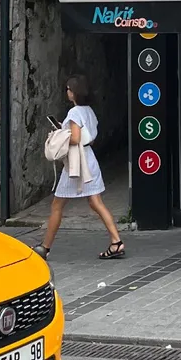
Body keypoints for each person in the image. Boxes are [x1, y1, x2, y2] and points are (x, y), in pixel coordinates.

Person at [34, 75, 125, 260]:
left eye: (68, 89)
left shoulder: (75, 113)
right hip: (89, 159)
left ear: (73, 92)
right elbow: (88, 137)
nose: (66, 92)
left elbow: (75, 138)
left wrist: (60, 134)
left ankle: (45, 247)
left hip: (77, 163)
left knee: (57, 206)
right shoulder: (89, 111)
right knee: (96, 202)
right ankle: (116, 241)